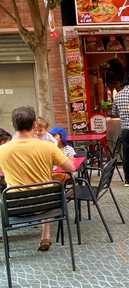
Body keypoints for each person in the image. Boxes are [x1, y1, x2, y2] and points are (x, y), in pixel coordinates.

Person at [0, 106, 74, 251]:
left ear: (14, 125)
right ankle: (45, 236)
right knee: (43, 189)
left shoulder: (2, 150)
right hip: (47, 206)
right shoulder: (48, 147)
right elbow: (71, 167)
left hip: (16, 207)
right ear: (34, 124)